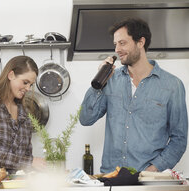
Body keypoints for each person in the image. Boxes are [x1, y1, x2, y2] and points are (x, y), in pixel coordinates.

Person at [80, 18, 188, 173]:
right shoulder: (110, 80)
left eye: (122, 43)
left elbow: (179, 139)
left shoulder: (172, 86)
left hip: (148, 179)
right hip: (111, 177)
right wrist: (99, 82)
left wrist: (154, 169)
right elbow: (85, 118)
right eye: (115, 44)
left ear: (140, 42)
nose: (117, 49)